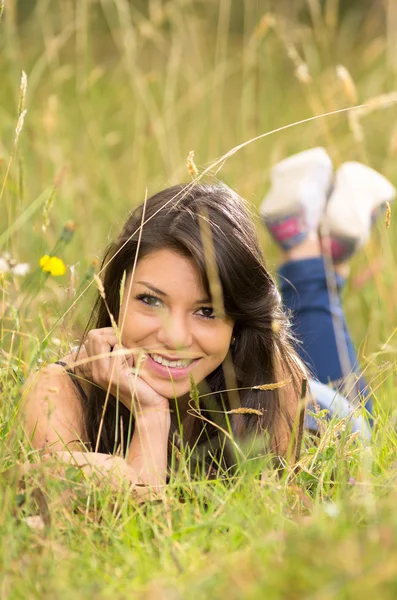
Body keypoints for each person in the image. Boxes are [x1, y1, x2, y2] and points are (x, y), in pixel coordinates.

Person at [22, 149, 394, 490]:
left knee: (357, 409)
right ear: (117, 297)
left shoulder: (276, 382)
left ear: (237, 324)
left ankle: (307, 250)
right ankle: (315, 248)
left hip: (323, 414)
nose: (174, 336)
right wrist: (152, 417)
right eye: (151, 300)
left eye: (207, 311)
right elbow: (125, 526)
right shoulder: (58, 394)